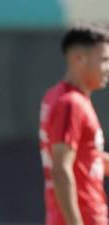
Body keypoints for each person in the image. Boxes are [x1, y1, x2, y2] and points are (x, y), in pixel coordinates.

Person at [39, 23, 109, 225]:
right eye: (104, 60)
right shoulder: (70, 103)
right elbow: (61, 169)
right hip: (82, 218)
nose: (107, 67)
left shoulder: (59, 97)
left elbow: (87, 158)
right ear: (79, 58)